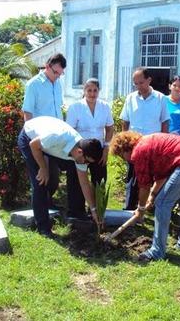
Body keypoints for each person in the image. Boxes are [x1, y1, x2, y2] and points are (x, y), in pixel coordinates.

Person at [110, 131, 180, 261]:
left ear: (125, 150)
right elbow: (161, 177)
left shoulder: (138, 152)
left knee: (162, 203)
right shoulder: (146, 143)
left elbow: (144, 186)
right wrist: (152, 196)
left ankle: (157, 252)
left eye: (121, 156)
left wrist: (140, 209)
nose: (125, 160)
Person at [17, 116, 103, 237]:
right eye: (86, 161)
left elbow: (84, 183)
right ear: (79, 152)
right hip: (29, 139)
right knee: (41, 181)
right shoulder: (58, 137)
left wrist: (93, 210)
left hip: (49, 147)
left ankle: (76, 212)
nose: (86, 165)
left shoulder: (82, 154)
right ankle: (43, 228)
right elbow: (34, 145)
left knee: (74, 172)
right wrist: (43, 168)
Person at [119, 67, 170, 210]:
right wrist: (124, 144)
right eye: (135, 83)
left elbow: (165, 122)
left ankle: (150, 206)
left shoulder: (160, 98)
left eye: (141, 82)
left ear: (149, 80)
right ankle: (129, 207)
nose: (138, 86)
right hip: (135, 146)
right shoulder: (130, 98)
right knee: (133, 177)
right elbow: (125, 122)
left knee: (153, 177)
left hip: (154, 146)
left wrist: (163, 143)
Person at [21, 53, 67, 209]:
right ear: (47, 66)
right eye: (55, 73)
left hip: (53, 138)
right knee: (41, 177)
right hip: (37, 139)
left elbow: (58, 110)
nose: (57, 77)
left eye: (60, 74)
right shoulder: (33, 84)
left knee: (53, 176)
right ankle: (41, 212)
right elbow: (28, 113)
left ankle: (46, 203)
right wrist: (32, 138)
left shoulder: (57, 84)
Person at [65, 78, 114, 219]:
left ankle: (97, 210)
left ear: (99, 91)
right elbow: (70, 130)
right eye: (89, 90)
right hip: (80, 149)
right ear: (84, 91)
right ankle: (77, 212)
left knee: (99, 180)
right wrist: (77, 152)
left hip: (98, 149)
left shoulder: (104, 107)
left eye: (95, 90)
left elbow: (109, 128)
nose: (92, 94)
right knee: (76, 180)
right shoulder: (75, 107)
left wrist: (106, 148)